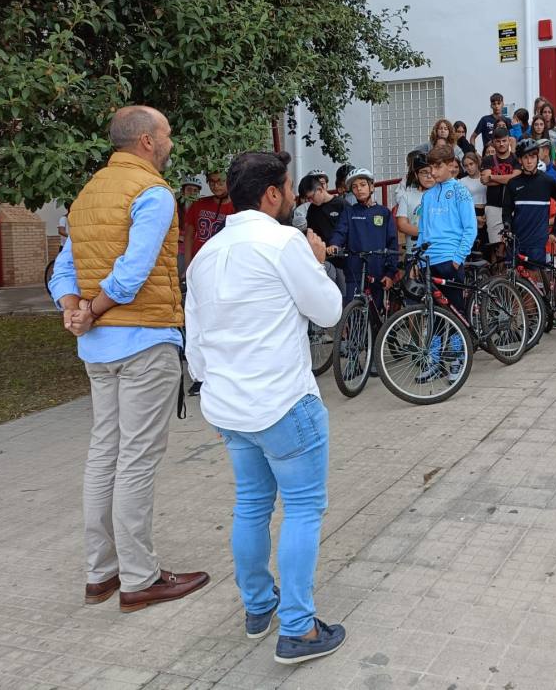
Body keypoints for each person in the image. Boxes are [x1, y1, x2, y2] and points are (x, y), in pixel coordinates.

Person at [184, 149, 344, 664]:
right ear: (272, 194)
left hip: (229, 408)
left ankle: (258, 606)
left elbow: (196, 345)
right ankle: (298, 628)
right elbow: (328, 310)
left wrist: (217, 397)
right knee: (302, 508)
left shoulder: (205, 255)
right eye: (291, 187)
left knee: (252, 505)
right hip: (283, 403)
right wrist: (318, 263)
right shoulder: (284, 242)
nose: (295, 196)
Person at [48, 105, 209, 613]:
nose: (170, 142)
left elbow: (63, 269)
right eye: (166, 134)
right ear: (145, 141)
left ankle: (101, 574)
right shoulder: (152, 193)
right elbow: (132, 273)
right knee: (136, 459)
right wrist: (92, 309)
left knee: (104, 454)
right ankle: (140, 579)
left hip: (98, 349)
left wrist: (74, 309)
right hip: (143, 341)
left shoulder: (87, 195)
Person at [418, 144, 477, 315]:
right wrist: (419, 260)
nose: (433, 172)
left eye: (438, 167)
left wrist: (458, 258)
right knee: (433, 315)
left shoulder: (460, 191)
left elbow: (470, 228)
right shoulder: (427, 195)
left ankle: (461, 335)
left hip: (450, 259)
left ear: (450, 164)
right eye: (431, 167)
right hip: (428, 262)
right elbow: (422, 231)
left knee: (455, 314)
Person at [326, 168, 398, 306]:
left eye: (363, 185)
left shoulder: (384, 212)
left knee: (376, 311)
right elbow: (340, 232)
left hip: (378, 270)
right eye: (354, 186)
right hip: (355, 270)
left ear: (372, 187)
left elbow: (392, 243)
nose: (359, 189)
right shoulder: (349, 212)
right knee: (353, 311)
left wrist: (390, 273)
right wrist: (334, 244)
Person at [503, 137, 556, 264]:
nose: (529, 161)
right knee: (513, 273)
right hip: (517, 239)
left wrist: (555, 231)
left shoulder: (548, 182)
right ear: (520, 160)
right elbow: (507, 210)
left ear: (537, 158)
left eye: (532, 157)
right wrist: (507, 227)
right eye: (525, 157)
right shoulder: (512, 183)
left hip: (538, 240)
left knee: (534, 274)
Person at [480, 127, 520, 264]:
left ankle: (512, 275)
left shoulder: (516, 158)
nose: (501, 144)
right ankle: (496, 275)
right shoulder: (487, 160)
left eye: (504, 141)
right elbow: (484, 180)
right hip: (493, 206)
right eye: (498, 141)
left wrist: (492, 176)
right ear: (493, 142)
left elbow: (516, 179)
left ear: (509, 140)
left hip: (514, 206)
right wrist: (508, 178)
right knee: (495, 246)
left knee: (512, 244)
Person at [183, 170, 234, 270]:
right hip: (198, 262)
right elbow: (189, 237)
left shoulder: (237, 207)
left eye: (220, 182)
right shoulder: (199, 203)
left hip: (222, 265)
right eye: (211, 182)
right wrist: (187, 267)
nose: (215, 186)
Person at [394, 153, 434, 253]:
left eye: (432, 172)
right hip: (414, 252)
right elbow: (402, 225)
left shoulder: (443, 196)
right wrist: (429, 233)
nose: (429, 176)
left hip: (439, 253)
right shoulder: (407, 196)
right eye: (424, 172)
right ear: (416, 174)